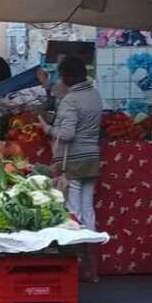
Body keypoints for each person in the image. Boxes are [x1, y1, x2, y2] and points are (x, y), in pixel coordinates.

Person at [39, 57, 103, 281]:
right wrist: (47, 85)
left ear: (65, 77)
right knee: (88, 210)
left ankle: (74, 263)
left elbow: (67, 134)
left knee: (73, 212)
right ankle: (90, 266)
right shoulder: (94, 95)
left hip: (73, 161)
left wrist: (46, 128)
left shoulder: (70, 100)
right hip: (92, 158)